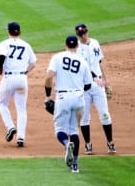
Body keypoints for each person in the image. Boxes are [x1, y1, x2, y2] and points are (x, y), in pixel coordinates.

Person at [44, 35, 92, 173]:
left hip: (63, 97)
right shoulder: (82, 61)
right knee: (74, 131)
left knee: (59, 130)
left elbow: (48, 77)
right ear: (77, 46)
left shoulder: (57, 57)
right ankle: (75, 165)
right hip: (78, 98)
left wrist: (48, 96)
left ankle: (66, 144)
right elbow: (88, 85)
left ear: (65, 44)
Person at [0, 22, 37, 148]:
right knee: (21, 109)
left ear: (8, 32)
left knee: (2, 104)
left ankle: (10, 127)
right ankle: (21, 138)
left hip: (9, 78)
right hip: (22, 79)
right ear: (20, 32)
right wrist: (24, 72)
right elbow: (33, 63)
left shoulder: (4, 44)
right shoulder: (26, 45)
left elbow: (1, 57)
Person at [75, 23, 116, 155]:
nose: (83, 36)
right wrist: (95, 77)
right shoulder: (76, 47)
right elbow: (85, 66)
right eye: (80, 34)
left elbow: (99, 63)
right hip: (84, 87)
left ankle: (110, 142)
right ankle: (88, 144)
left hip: (98, 85)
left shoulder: (95, 43)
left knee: (105, 115)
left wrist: (105, 80)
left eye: (84, 33)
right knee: (84, 118)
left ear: (87, 32)